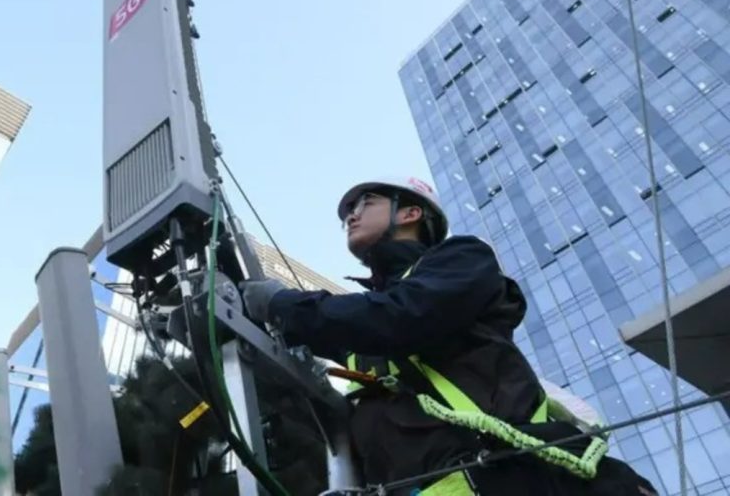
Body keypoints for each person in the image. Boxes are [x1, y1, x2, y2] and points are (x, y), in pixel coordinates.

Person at [240, 176, 657, 495]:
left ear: (411, 213)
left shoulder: (460, 261)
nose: (350, 214)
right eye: (349, 209)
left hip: (522, 476)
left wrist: (281, 303)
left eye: (366, 202)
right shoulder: (362, 333)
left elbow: (400, 317)